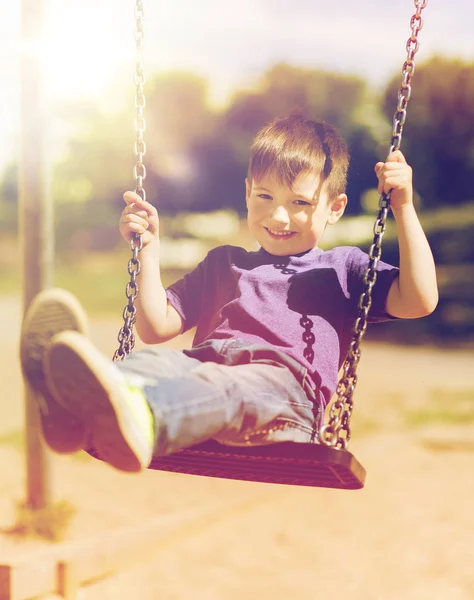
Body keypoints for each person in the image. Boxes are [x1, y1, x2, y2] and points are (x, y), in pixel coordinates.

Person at [19, 114, 438, 474]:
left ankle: (141, 419)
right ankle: (72, 408)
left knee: (227, 386)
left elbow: (419, 300)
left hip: (283, 398)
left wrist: (403, 208)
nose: (278, 215)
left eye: (300, 203)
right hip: (203, 374)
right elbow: (156, 326)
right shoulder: (225, 263)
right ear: (247, 192)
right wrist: (148, 249)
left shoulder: (342, 268)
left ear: (335, 207)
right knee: (150, 362)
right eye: (265, 196)